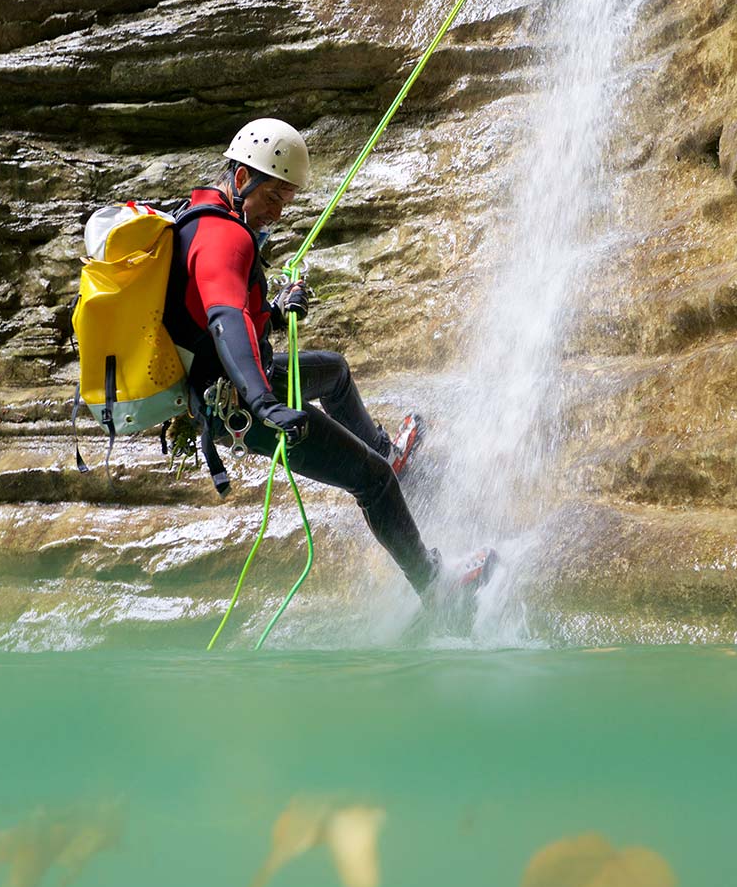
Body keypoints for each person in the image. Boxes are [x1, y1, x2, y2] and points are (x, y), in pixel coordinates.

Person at [164, 118, 493, 594]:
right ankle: (436, 590)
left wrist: (275, 312)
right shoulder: (224, 236)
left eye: (286, 201)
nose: (278, 213)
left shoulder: (200, 218)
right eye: (274, 197)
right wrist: (262, 403)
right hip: (239, 401)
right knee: (372, 482)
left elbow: (215, 312)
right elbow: (224, 319)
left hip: (237, 377)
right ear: (241, 180)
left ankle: (386, 450)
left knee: (333, 373)